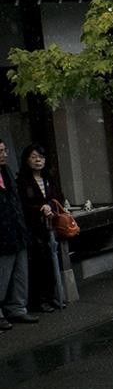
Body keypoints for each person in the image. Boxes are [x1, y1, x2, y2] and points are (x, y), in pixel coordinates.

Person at [17, 144, 66, 312]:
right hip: (33, 228)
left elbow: (58, 197)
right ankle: (40, 299)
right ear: (27, 160)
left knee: (52, 261)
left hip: (50, 227)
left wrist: (50, 205)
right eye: (34, 157)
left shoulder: (48, 178)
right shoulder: (22, 181)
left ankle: (53, 295)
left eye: (41, 157)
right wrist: (40, 208)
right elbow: (23, 204)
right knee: (38, 264)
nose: (38, 160)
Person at [0, 141, 35, 328]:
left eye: (5, 150)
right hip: (2, 233)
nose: (4, 154)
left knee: (20, 273)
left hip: (17, 229)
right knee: (2, 275)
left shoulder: (7, 173)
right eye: (0, 151)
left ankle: (17, 308)